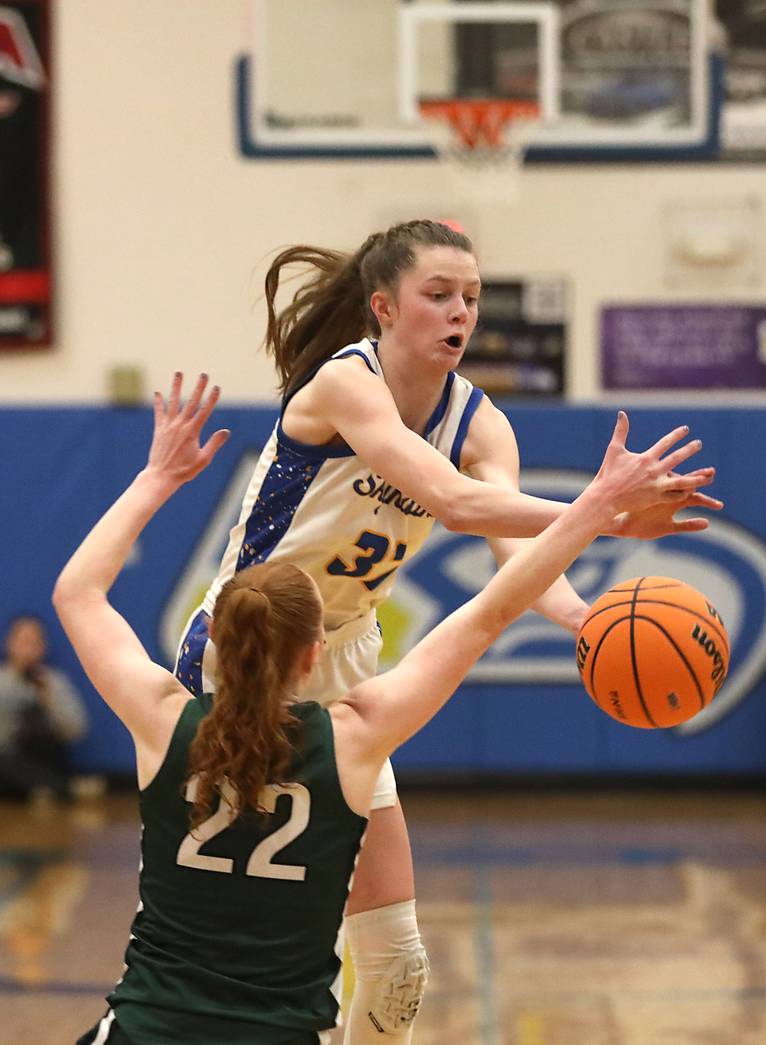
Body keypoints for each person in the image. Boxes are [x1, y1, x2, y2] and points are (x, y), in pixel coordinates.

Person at [174, 219, 721, 1042]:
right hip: (242, 656)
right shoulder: (344, 384)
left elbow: (514, 546)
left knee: (397, 966)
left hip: (346, 655)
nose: (459, 312)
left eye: (470, 296)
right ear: (384, 308)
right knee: (263, 949)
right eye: (438, 295)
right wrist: (603, 512)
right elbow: (457, 505)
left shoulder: (481, 423)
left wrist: (584, 619)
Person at [55, 375, 708, 1044]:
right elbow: (492, 611)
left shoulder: (163, 720)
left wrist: (156, 477)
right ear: (317, 655)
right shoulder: (353, 739)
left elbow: (78, 594)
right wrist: (599, 509)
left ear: (215, 636)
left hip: (143, 1031)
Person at [0, 613, 87, 801]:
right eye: (22, 641)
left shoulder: (54, 683)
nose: (27, 648)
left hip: (45, 755)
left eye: (33, 642)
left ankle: (45, 786)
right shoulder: (2, 682)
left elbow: (76, 730)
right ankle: (58, 787)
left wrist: (48, 700)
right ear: (9, 642)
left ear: (42, 646)